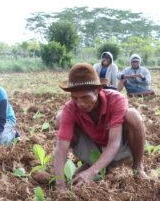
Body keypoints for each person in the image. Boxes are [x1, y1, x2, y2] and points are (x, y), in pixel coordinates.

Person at [53, 63, 147, 192]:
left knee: (133, 115)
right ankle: (94, 163)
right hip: (93, 149)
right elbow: (61, 148)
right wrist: (60, 185)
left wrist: (91, 172)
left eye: (85, 97)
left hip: (119, 150)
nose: (80, 103)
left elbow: (114, 142)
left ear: (97, 91)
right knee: (60, 118)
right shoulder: (71, 107)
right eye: (75, 98)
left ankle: (137, 167)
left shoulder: (116, 99)